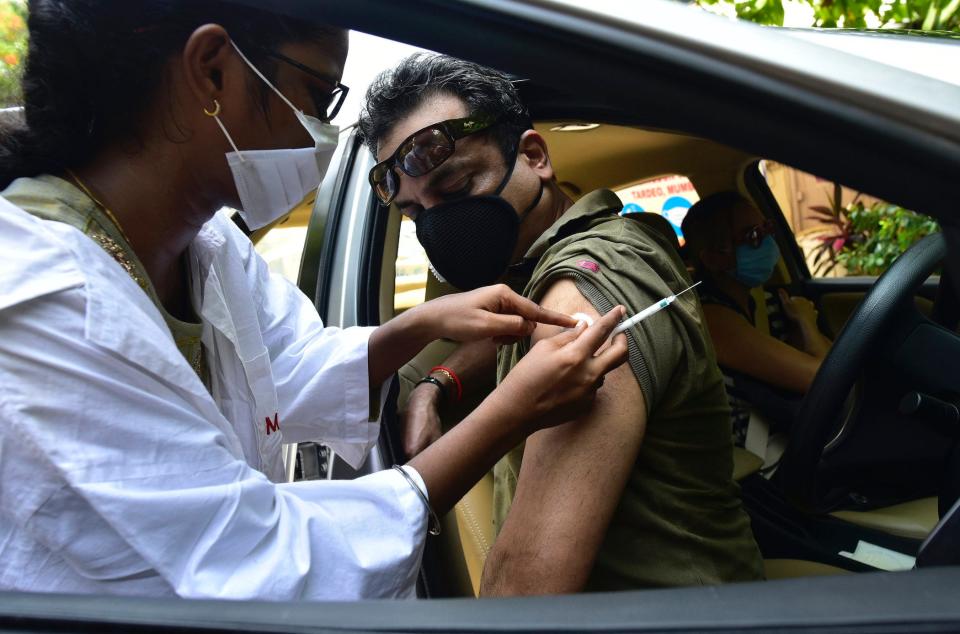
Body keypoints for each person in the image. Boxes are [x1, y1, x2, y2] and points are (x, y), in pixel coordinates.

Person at [0, 1, 630, 600]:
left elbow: (278, 371)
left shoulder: (211, 246)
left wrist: (417, 327)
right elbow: (261, 568)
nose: (324, 133)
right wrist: (510, 414)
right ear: (212, 69)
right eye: (316, 94)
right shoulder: (39, 296)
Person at [358, 54, 764, 595]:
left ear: (533, 156)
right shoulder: (544, 275)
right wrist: (439, 384)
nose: (438, 227)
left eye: (453, 190)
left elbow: (525, 597)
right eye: (416, 216)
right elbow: (520, 329)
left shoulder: (579, 289)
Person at [681, 192, 832, 447]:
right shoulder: (713, 319)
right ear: (713, 259)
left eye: (767, 228)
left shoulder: (767, 302)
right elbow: (823, 378)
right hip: (758, 459)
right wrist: (807, 323)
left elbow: (834, 363)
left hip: (797, 431)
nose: (767, 241)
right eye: (752, 236)